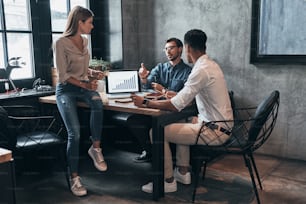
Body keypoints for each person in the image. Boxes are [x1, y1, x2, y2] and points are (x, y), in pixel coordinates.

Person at [131, 29, 233, 193]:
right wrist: (173, 95)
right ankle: (183, 172)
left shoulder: (199, 70)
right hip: (221, 125)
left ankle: (167, 181)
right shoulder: (210, 65)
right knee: (181, 121)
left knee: (156, 132)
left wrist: (145, 102)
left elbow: (175, 105)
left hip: (214, 131)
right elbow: (187, 98)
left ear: (186, 48)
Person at [53, 6, 107, 197]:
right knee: (74, 133)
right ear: (79, 23)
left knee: (98, 103)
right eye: (90, 23)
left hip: (83, 86)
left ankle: (96, 148)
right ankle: (75, 178)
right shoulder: (60, 43)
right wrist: (85, 85)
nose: (92, 26)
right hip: (66, 90)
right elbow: (63, 75)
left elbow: (82, 69)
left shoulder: (84, 42)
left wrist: (93, 73)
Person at [123, 38, 191, 163]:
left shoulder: (188, 71)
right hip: (155, 107)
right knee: (133, 120)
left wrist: (163, 90)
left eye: (171, 48)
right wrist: (143, 78)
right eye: (166, 49)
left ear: (180, 49)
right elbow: (147, 85)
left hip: (174, 111)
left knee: (156, 124)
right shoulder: (160, 68)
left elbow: (184, 97)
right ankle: (151, 152)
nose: (167, 51)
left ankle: (163, 158)